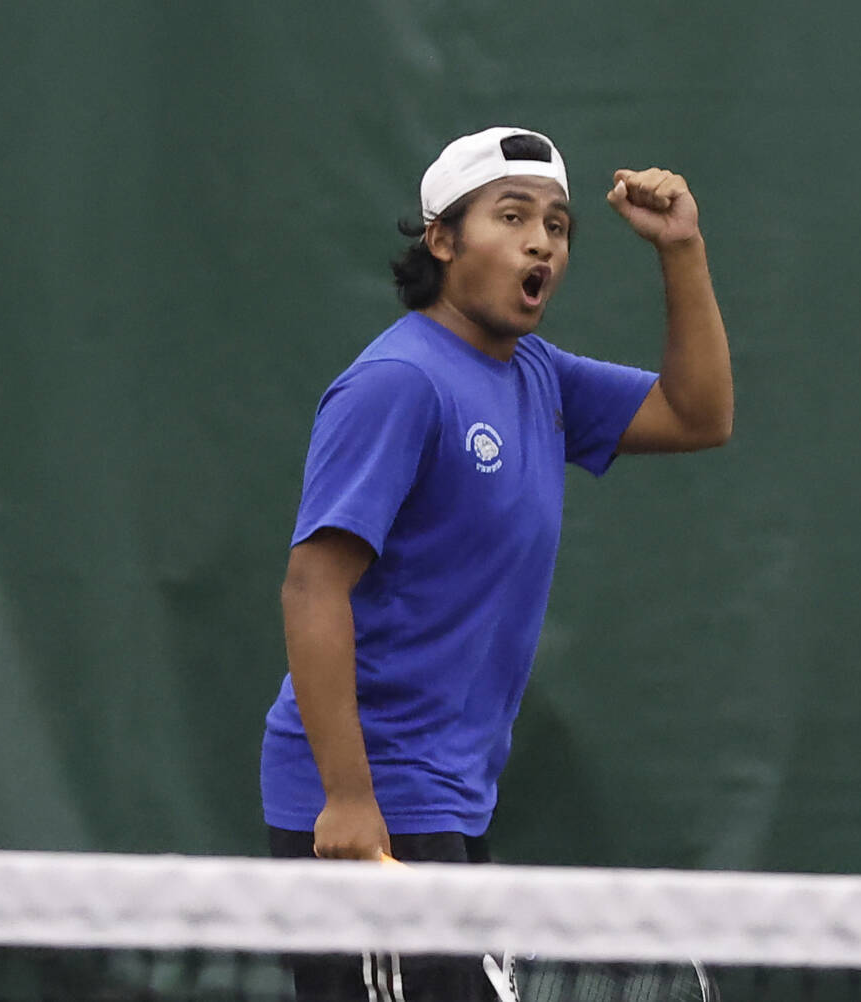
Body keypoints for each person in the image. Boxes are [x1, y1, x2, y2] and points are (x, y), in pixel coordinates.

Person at [260, 126, 733, 1001]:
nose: (540, 242)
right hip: (373, 803)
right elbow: (313, 586)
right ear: (442, 240)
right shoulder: (398, 382)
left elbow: (698, 414)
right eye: (511, 217)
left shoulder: (538, 377)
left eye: (556, 225)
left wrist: (682, 250)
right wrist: (350, 800)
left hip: (449, 801)